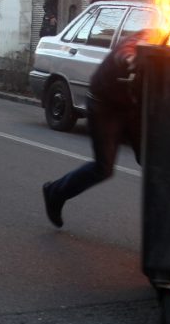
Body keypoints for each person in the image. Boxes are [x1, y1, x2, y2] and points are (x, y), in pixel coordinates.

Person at [42, 32, 153, 227]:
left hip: (133, 109)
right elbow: (125, 51)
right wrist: (130, 60)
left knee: (154, 162)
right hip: (105, 108)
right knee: (103, 168)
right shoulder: (147, 36)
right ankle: (55, 192)